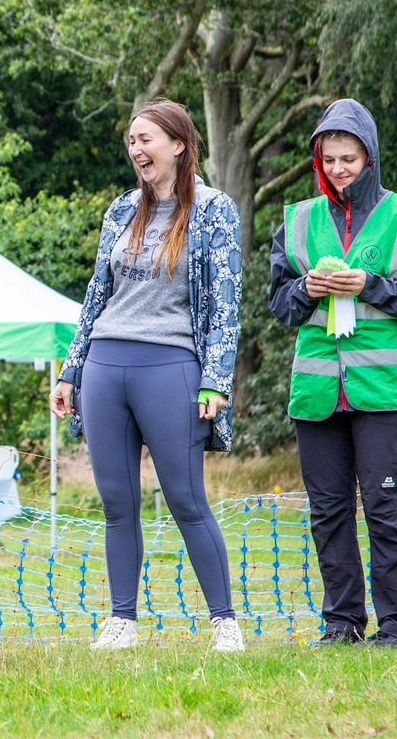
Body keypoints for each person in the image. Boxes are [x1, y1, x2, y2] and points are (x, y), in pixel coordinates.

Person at [50, 99, 245, 653]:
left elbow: (227, 303)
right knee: (117, 502)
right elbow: (96, 295)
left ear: (179, 145)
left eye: (146, 139)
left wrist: (216, 379)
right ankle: (122, 622)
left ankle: (224, 622)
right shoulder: (120, 210)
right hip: (106, 367)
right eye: (132, 141)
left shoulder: (214, 210)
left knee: (186, 498)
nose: (137, 150)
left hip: (172, 365)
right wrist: (72, 370)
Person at [268, 99, 397, 646]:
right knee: (327, 514)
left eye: (348, 158)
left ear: (370, 158)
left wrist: (370, 286)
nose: (338, 169)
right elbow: (279, 306)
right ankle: (342, 623)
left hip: (382, 392)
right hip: (317, 392)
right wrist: (305, 289)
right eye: (329, 160)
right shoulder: (297, 221)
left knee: (384, 507)